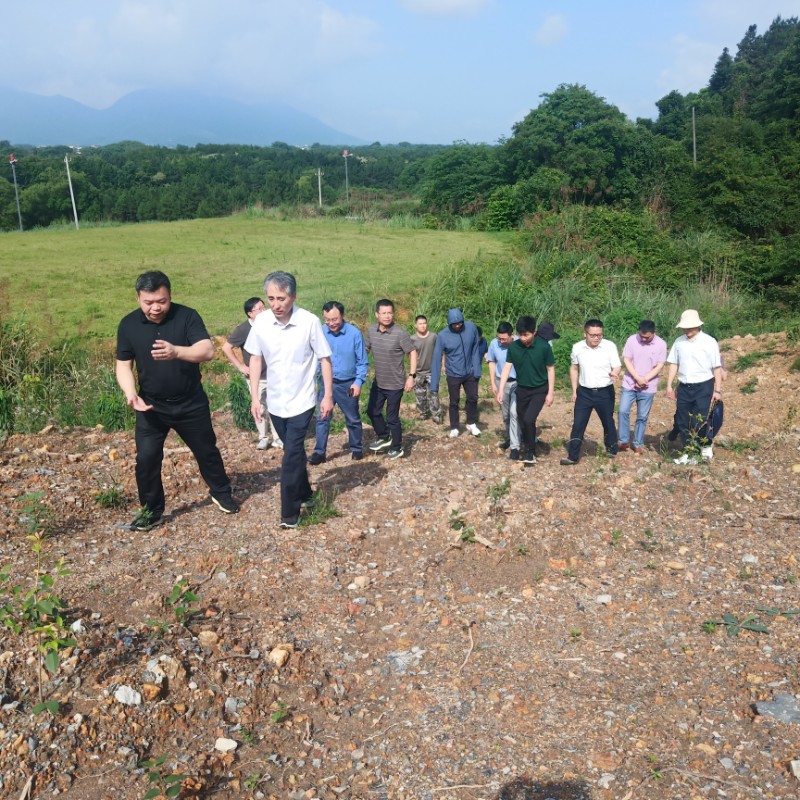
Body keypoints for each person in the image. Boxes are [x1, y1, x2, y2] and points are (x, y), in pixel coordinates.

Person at [115, 270, 238, 531]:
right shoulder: (128, 325)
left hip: (190, 401)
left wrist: (176, 351)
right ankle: (152, 511)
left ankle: (221, 492)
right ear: (138, 298)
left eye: (162, 301)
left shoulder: (187, 316)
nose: (156, 308)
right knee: (147, 459)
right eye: (148, 302)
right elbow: (123, 365)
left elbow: (207, 350)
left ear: (170, 296)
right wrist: (130, 394)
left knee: (207, 451)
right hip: (150, 405)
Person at [244, 271, 333, 528]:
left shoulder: (309, 322)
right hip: (276, 402)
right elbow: (256, 358)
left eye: (281, 298)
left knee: (290, 456)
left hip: (302, 401)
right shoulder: (261, 323)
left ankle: (289, 514)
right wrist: (254, 398)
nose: (276, 304)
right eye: (271, 298)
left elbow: (324, 359)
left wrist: (327, 396)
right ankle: (305, 493)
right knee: (294, 452)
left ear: (293, 296)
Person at [308, 301, 368, 464]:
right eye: (327, 320)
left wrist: (358, 382)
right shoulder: (320, 331)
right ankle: (319, 451)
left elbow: (362, 362)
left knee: (353, 418)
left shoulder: (354, 334)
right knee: (322, 417)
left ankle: (356, 448)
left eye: (334, 319)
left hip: (348, 384)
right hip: (327, 384)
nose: (331, 323)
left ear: (342, 316)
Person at [221, 296, 282, 451]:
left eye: (264, 307)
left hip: (274, 374)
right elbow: (226, 348)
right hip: (257, 377)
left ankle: (278, 437)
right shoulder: (243, 329)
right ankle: (263, 437)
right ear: (250, 313)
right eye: (259, 309)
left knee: (276, 405)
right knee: (260, 406)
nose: (264, 311)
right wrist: (241, 366)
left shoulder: (271, 324)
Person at [665, 309, 723, 464]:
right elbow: (673, 364)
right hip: (684, 386)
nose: (687, 331)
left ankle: (705, 447)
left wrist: (717, 390)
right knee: (683, 420)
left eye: (689, 328)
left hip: (704, 385)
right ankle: (688, 451)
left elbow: (716, 367)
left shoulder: (709, 342)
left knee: (701, 419)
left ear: (697, 326)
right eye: (685, 328)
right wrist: (669, 386)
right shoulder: (679, 342)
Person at [560, 319, 621, 465]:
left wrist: (615, 372)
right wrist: (574, 390)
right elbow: (574, 368)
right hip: (584, 392)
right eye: (593, 335)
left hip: (605, 391)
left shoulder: (609, 346)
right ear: (585, 334)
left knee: (607, 421)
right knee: (579, 423)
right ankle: (573, 456)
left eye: (599, 335)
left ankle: (611, 449)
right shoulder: (577, 348)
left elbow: (617, 365)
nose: (596, 338)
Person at [496, 316, 555, 465]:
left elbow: (550, 369)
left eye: (526, 335)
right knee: (523, 420)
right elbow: (507, 368)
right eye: (520, 334)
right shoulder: (514, 347)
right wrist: (501, 389)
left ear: (534, 332)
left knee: (529, 419)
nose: (522, 338)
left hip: (540, 389)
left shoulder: (544, 346)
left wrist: (551, 392)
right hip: (522, 389)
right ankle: (526, 444)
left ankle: (530, 451)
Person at [365, 299, 417, 460]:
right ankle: (384, 436)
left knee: (392, 417)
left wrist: (411, 376)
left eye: (390, 313)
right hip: (379, 381)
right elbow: (365, 349)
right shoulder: (372, 330)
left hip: (395, 383)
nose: (387, 316)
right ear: (377, 314)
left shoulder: (400, 333)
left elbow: (412, 353)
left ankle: (397, 447)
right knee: (372, 411)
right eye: (384, 313)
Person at [430, 308, 483, 438]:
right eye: (455, 324)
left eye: (460, 322)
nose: (458, 325)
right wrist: (434, 385)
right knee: (454, 401)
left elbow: (476, 348)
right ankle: (454, 426)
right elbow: (436, 358)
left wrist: (477, 368)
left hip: (470, 371)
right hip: (453, 373)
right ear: (449, 323)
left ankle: (471, 422)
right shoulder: (442, 335)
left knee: (473, 397)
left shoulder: (471, 328)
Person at [618, 320, 667, 454]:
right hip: (630, 383)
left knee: (642, 416)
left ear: (654, 333)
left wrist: (645, 379)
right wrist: (637, 377)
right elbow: (627, 359)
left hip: (648, 386)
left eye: (647, 337)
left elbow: (660, 365)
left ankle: (637, 443)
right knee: (622, 411)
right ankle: (623, 440)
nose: (644, 339)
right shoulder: (632, 340)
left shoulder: (661, 344)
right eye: (642, 336)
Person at [487, 321, 521, 460]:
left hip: (518, 383)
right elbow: (492, 362)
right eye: (499, 338)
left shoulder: (520, 343)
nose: (501, 341)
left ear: (512, 336)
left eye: (504, 339)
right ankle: (509, 438)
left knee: (515, 413)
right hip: (502, 382)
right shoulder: (494, 344)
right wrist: (493, 383)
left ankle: (515, 446)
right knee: (506, 415)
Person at [410, 315, 441, 422]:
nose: (423, 326)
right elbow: (410, 356)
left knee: (434, 394)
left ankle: (436, 414)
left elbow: (441, 351)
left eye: (424, 323)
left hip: (432, 371)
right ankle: (423, 413)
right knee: (420, 395)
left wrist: (443, 364)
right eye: (420, 323)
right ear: (416, 325)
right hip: (418, 372)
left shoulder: (433, 337)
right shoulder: (412, 339)